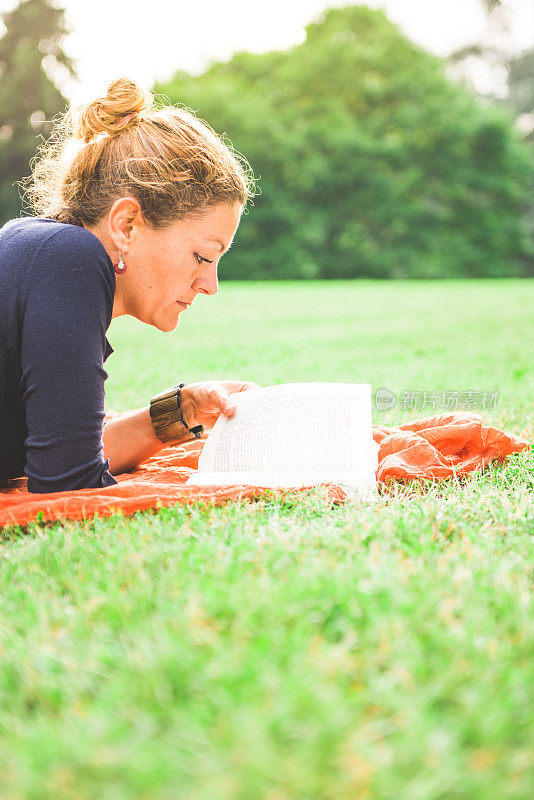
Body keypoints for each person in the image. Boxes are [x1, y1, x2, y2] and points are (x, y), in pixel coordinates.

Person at [0, 77, 258, 494]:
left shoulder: (40, 248)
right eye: (203, 257)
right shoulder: (69, 259)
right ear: (127, 224)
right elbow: (68, 484)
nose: (210, 285)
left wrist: (183, 409)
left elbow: (66, 455)